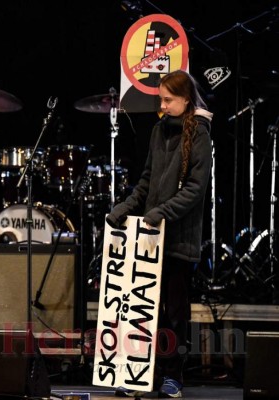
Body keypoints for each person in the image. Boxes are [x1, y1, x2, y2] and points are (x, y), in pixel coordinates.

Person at [106, 69, 213, 398]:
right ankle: (138, 374)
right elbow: (147, 179)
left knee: (174, 312)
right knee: (143, 308)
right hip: (150, 237)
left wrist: (162, 212)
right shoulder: (157, 131)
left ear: (185, 99)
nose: (163, 105)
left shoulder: (199, 133)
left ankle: (173, 376)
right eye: (161, 100)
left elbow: (196, 188)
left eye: (168, 100)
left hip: (179, 238)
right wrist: (127, 205)